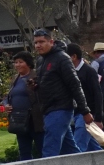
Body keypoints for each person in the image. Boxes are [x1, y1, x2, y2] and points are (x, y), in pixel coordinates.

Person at [33, 28, 90, 157]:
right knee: (70, 150)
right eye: (36, 42)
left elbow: (75, 85)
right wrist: (36, 85)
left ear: (51, 42)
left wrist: (85, 111)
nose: (38, 45)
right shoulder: (41, 60)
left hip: (60, 108)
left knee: (49, 150)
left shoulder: (62, 58)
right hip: (49, 109)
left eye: (41, 42)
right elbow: (48, 82)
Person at [6, 51, 44, 161]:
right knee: (24, 152)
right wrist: (6, 105)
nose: (17, 65)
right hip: (20, 121)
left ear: (28, 63)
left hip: (35, 120)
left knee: (42, 149)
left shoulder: (36, 76)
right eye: (15, 62)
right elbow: (8, 96)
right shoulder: (15, 79)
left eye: (20, 62)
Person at [65, 43, 103, 151]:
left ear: (74, 56)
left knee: (79, 145)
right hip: (75, 113)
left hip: (87, 114)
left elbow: (98, 93)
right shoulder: (70, 71)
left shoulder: (88, 71)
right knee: (92, 146)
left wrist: (98, 117)